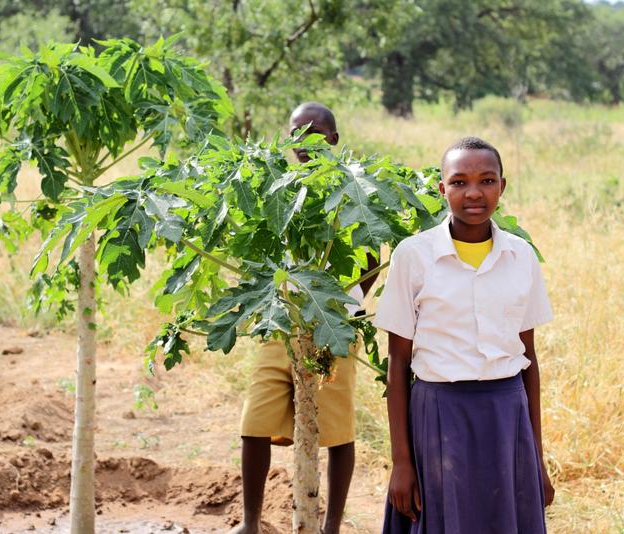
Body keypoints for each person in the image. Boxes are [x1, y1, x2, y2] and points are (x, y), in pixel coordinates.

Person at [377, 137, 555, 533]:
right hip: (440, 414)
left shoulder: (520, 256)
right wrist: (402, 463)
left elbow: (529, 360)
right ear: (442, 189)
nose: (473, 193)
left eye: (487, 180)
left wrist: (535, 460)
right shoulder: (413, 256)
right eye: (459, 182)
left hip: (506, 415)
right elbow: (399, 365)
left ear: (502, 187)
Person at [228, 102, 378, 534]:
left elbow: (371, 259)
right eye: (295, 133)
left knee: (337, 429)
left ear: (333, 139)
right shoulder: (279, 186)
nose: (303, 142)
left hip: (333, 326)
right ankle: (251, 523)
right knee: (254, 422)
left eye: (313, 133)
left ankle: (330, 527)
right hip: (282, 321)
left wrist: (336, 302)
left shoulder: (354, 187)